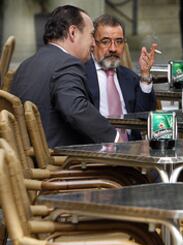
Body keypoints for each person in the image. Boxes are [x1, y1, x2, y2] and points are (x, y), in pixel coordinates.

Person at [11, 5, 121, 147]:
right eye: (91, 35)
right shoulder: (66, 64)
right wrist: (116, 139)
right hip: (60, 163)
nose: (94, 43)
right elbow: (75, 109)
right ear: (73, 32)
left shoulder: (25, 65)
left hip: (30, 161)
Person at [85, 14, 157, 141]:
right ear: (93, 43)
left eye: (119, 42)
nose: (113, 48)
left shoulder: (129, 77)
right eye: (105, 41)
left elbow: (144, 117)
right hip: (96, 149)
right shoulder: (81, 75)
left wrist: (145, 74)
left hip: (132, 150)